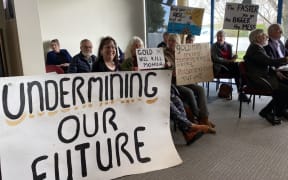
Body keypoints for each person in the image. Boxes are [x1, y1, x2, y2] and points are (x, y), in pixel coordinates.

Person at [164, 34, 216, 130]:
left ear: (178, 43)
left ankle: (204, 118)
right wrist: (169, 69)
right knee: (189, 92)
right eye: (170, 41)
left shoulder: (182, 52)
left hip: (184, 79)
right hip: (173, 82)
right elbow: (163, 68)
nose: (171, 43)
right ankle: (198, 118)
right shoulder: (164, 53)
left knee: (200, 89)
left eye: (174, 41)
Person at [244, 29, 288, 125]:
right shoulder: (255, 49)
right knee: (284, 90)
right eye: (264, 35)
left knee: (285, 86)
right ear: (257, 38)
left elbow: (266, 62)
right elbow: (268, 61)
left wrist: (276, 71)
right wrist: (285, 59)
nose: (266, 37)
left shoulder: (258, 47)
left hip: (263, 76)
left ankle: (280, 110)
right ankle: (267, 112)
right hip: (258, 79)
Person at [211, 30, 249, 102]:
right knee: (237, 69)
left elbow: (231, 58)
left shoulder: (229, 46)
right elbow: (216, 59)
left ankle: (241, 90)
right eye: (218, 36)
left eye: (221, 36)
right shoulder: (214, 46)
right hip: (219, 66)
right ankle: (241, 90)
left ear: (224, 37)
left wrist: (234, 57)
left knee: (238, 66)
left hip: (229, 66)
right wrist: (229, 61)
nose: (219, 38)